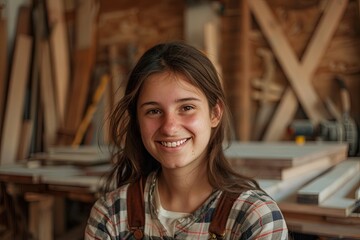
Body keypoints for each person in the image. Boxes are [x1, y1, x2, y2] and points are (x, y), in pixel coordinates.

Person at [85, 41, 288, 239]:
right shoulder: (111, 215)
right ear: (137, 121)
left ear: (215, 113)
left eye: (186, 107)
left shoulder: (255, 218)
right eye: (153, 111)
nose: (170, 127)